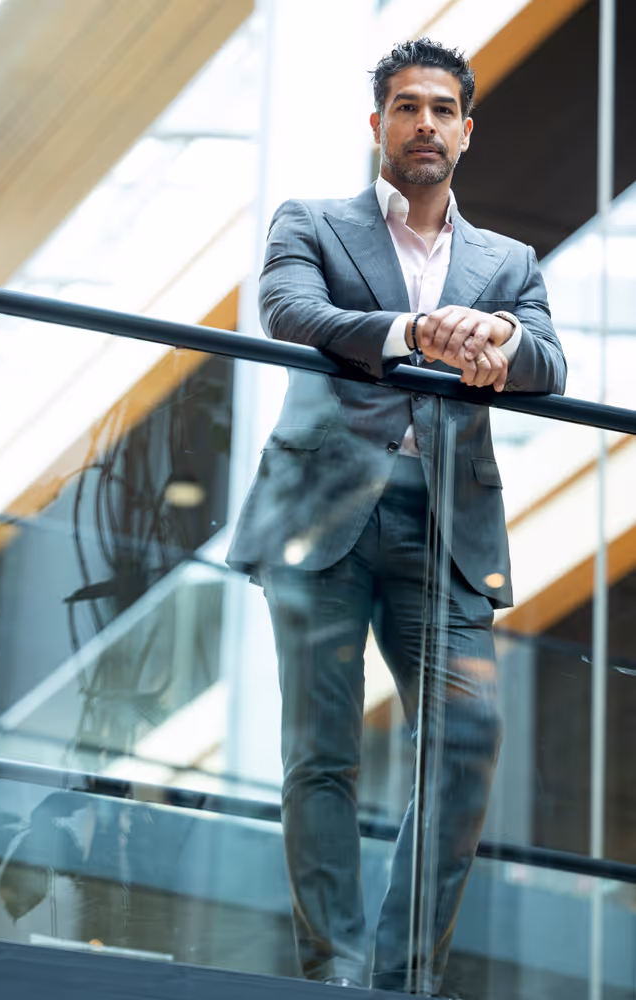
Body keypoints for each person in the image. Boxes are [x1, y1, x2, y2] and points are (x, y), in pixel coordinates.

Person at [227, 38, 566, 994]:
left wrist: (498, 335)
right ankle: (332, 973)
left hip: (445, 535)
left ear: (466, 129)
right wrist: (415, 332)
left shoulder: (507, 263)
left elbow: (548, 366)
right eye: (405, 107)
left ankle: (402, 979)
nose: (424, 124)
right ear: (377, 124)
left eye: (441, 109)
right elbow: (290, 311)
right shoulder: (316, 223)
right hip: (321, 518)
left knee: (465, 743)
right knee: (320, 754)